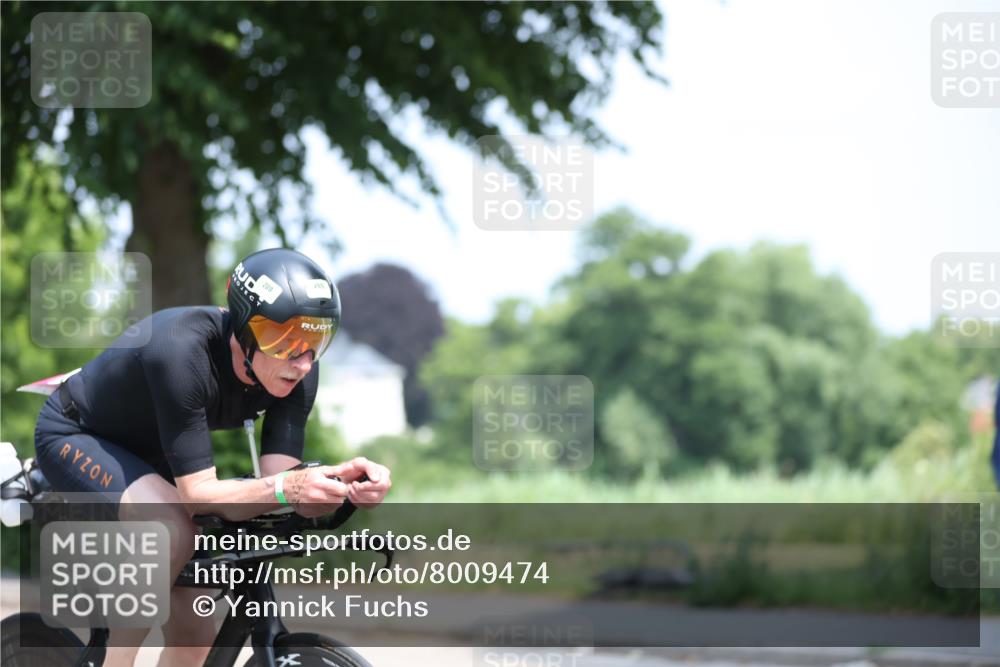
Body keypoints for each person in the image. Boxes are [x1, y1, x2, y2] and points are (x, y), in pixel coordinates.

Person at [33, 248, 392, 667]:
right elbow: (199, 496)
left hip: (158, 454)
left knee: (195, 629)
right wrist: (286, 487)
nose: (303, 362)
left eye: (315, 341)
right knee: (170, 526)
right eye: (287, 340)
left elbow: (279, 483)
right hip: (77, 434)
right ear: (244, 329)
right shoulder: (180, 350)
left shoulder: (298, 376)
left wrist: (339, 482)